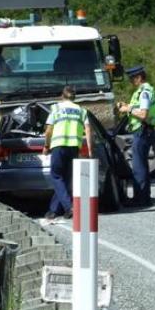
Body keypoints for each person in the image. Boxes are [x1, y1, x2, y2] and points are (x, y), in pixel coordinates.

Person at [42, 85, 93, 220]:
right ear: (75, 97)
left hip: (58, 146)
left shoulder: (56, 108)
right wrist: (89, 149)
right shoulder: (81, 111)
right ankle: (53, 210)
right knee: (64, 179)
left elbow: (48, 130)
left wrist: (46, 145)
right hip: (73, 148)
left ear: (62, 96)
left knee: (56, 176)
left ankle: (69, 207)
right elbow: (88, 130)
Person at [117, 65, 155, 206]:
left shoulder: (145, 92)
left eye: (132, 79)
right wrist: (128, 106)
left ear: (139, 78)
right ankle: (144, 197)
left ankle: (140, 199)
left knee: (138, 166)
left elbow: (143, 114)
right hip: (144, 130)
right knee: (141, 165)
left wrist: (128, 109)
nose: (131, 81)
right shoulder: (143, 91)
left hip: (142, 130)